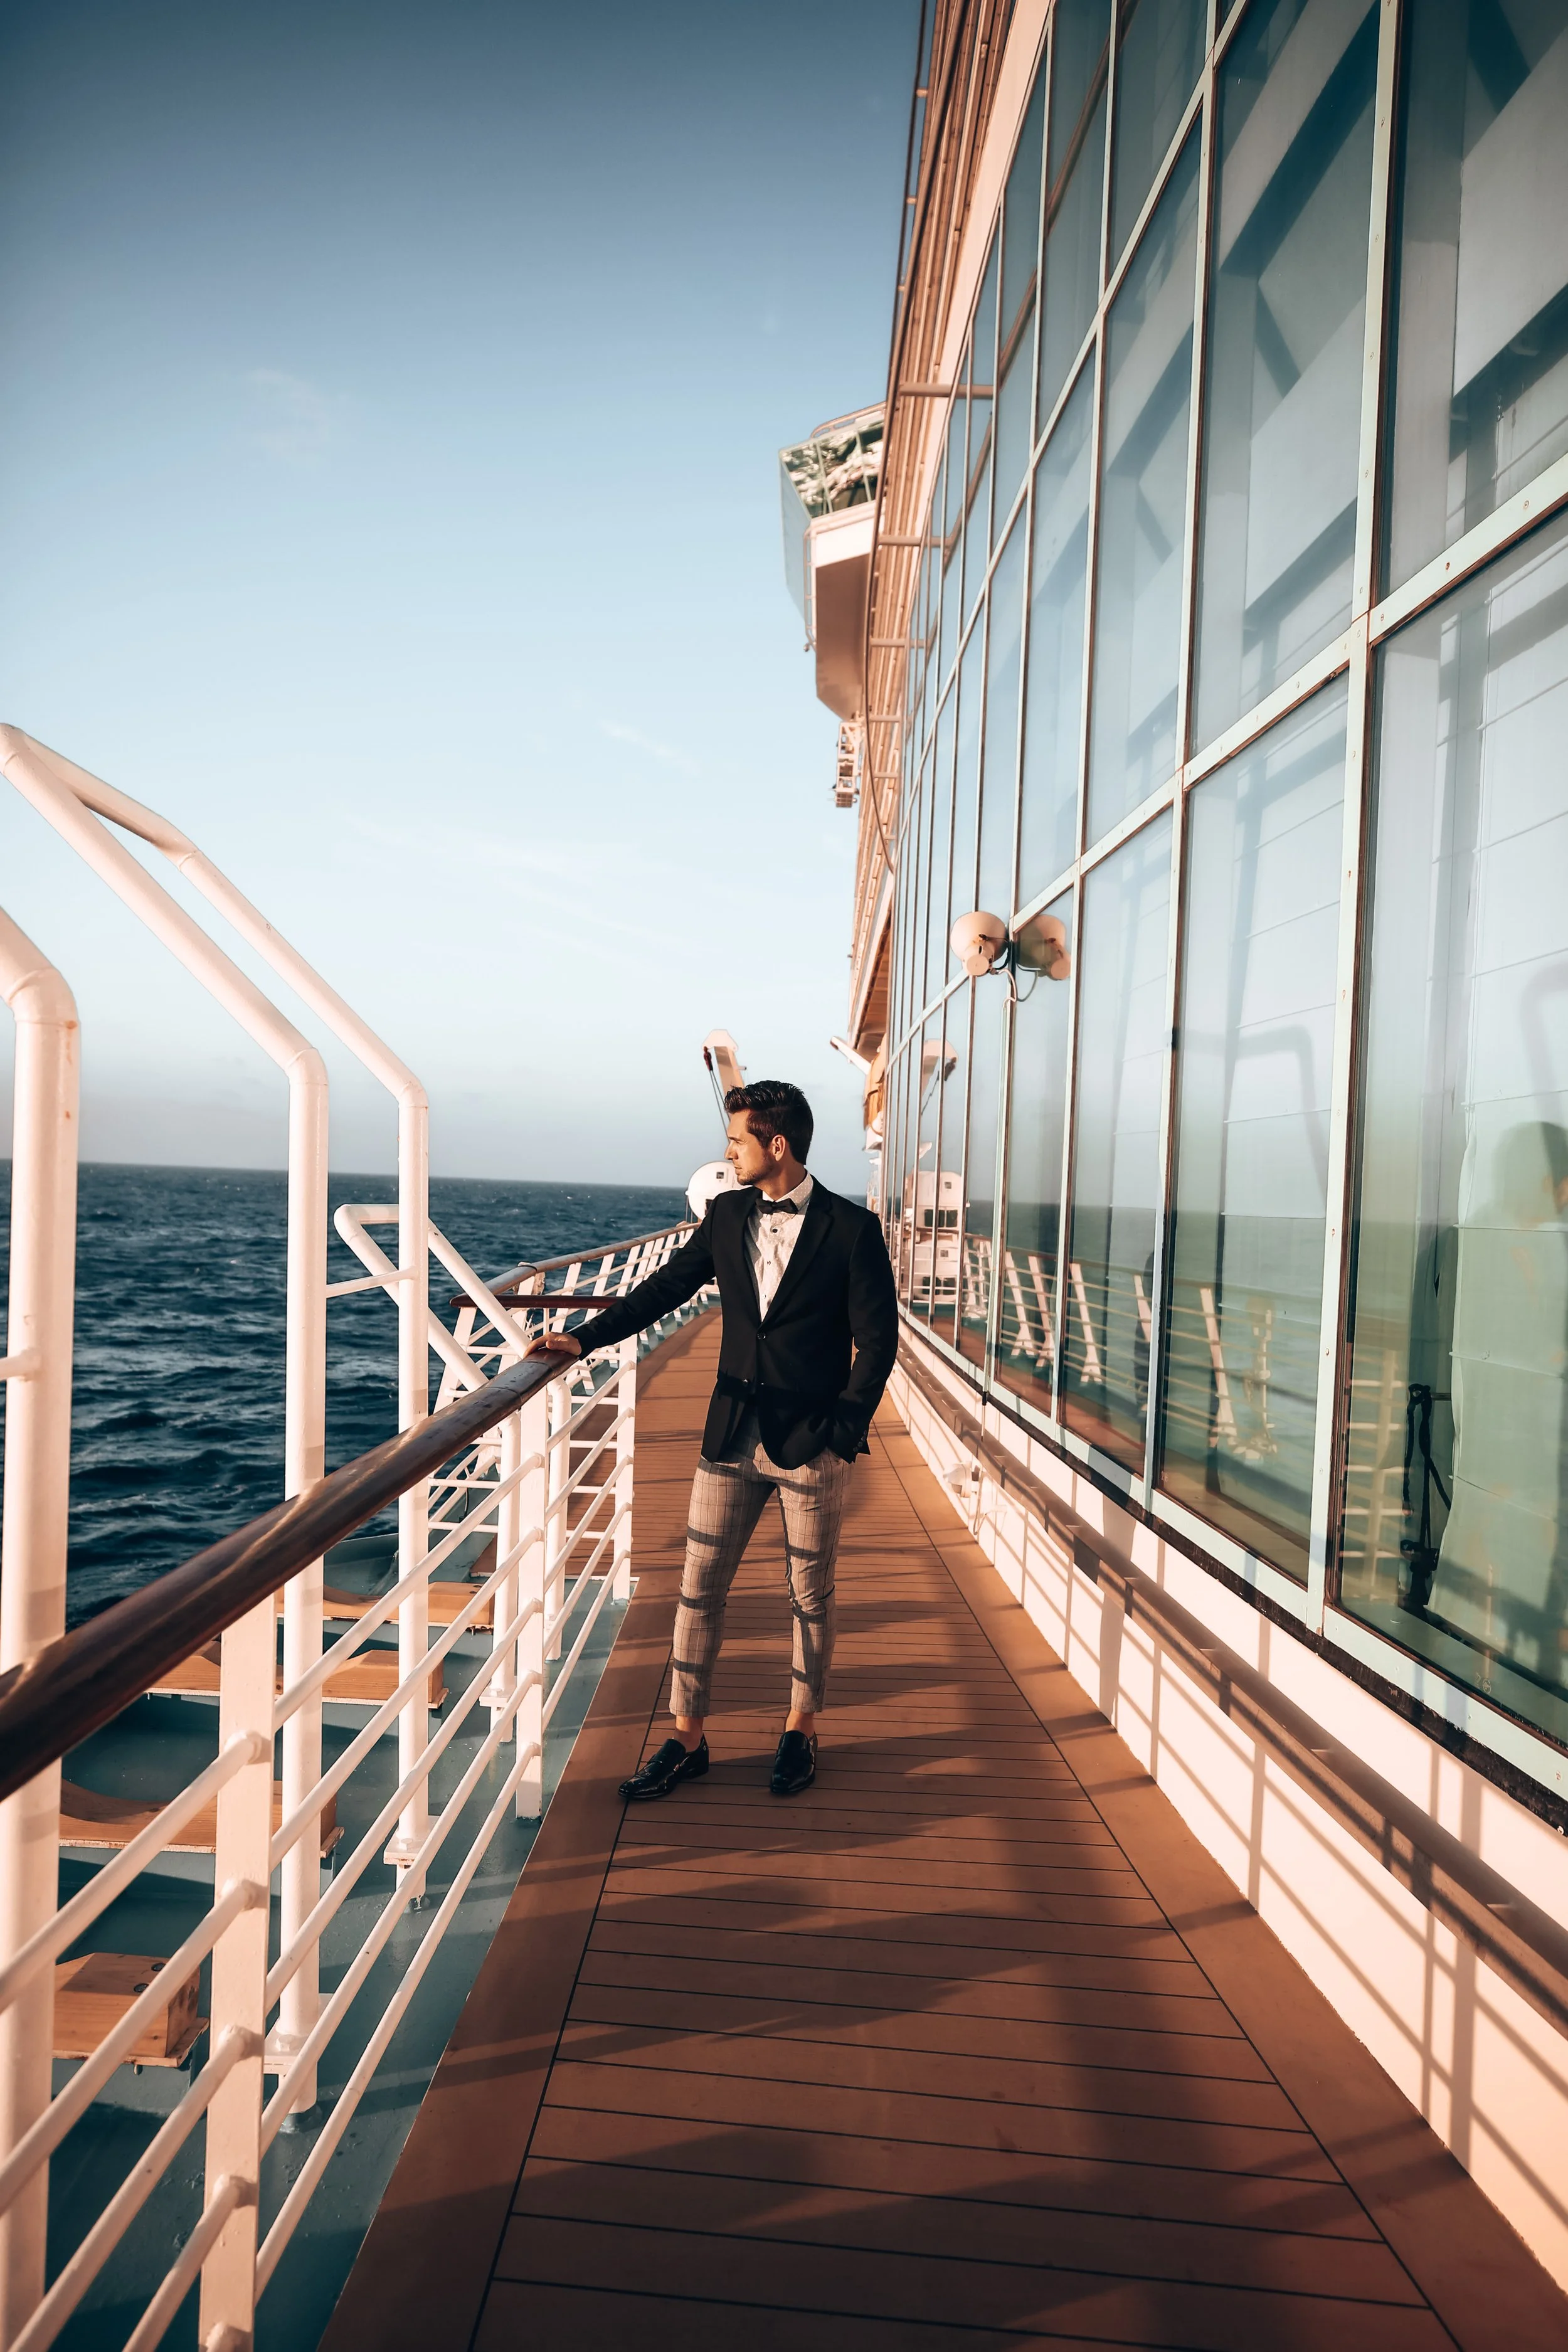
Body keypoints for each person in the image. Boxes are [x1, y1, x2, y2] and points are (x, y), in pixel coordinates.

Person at [526, 1079, 898, 1798]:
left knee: (809, 1596)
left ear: (776, 1145)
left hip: (809, 1442)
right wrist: (582, 1339)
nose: (728, 1152)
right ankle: (686, 1738)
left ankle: (800, 1730)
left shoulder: (852, 1230)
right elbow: (660, 1292)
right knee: (697, 1591)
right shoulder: (727, 1215)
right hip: (730, 1436)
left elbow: (876, 1345)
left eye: (737, 1141)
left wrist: (839, 1433)